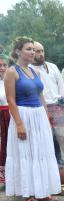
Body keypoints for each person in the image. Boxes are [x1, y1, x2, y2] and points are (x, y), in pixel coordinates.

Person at [4, 37, 60, 201]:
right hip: (24, 116)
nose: (33, 52)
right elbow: (10, 100)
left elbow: (40, 96)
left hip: (38, 117)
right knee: (27, 155)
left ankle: (42, 191)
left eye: (34, 50)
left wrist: (47, 116)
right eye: (29, 49)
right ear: (18, 51)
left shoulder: (34, 72)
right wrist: (19, 124)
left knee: (41, 153)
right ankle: (29, 195)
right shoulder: (12, 72)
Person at [32, 41, 64, 173]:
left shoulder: (52, 66)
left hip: (58, 108)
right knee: (45, 142)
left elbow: (61, 88)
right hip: (41, 109)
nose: (41, 54)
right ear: (31, 52)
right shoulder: (29, 69)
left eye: (42, 51)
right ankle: (50, 172)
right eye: (37, 51)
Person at [0, 54, 10, 189]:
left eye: (4, 65)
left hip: (12, 115)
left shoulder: (12, 80)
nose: (1, 68)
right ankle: (2, 177)